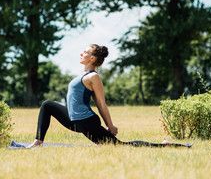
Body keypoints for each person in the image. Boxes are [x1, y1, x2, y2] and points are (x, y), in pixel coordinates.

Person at [27, 44, 171, 148]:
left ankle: (162, 146)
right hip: (74, 120)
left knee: (119, 146)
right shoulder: (83, 75)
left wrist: (110, 125)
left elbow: (101, 103)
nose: (81, 54)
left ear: (92, 58)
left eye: (84, 52)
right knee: (47, 105)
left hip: (86, 121)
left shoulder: (94, 77)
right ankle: (38, 141)